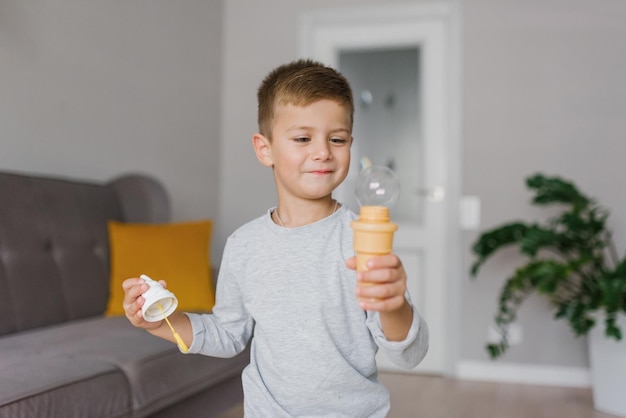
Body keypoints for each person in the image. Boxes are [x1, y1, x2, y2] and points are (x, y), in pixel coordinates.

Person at [122, 59, 429, 417]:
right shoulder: (244, 245)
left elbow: (410, 353)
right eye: (303, 138)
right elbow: (228, 334)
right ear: (264, 148)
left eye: (337, 139)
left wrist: (394, 306)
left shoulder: (361, 241)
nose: (322, 152)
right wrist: (162, 322)